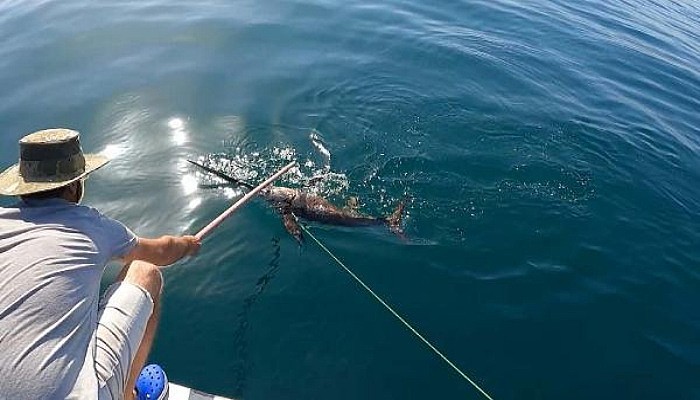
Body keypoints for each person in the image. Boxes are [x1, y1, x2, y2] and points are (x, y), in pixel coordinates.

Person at [0, 129, 201, 399]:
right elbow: (162, 252)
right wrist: (187, 245)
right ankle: (126, 395)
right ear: (75, 185)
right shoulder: (91, 226)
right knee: (144, 271)